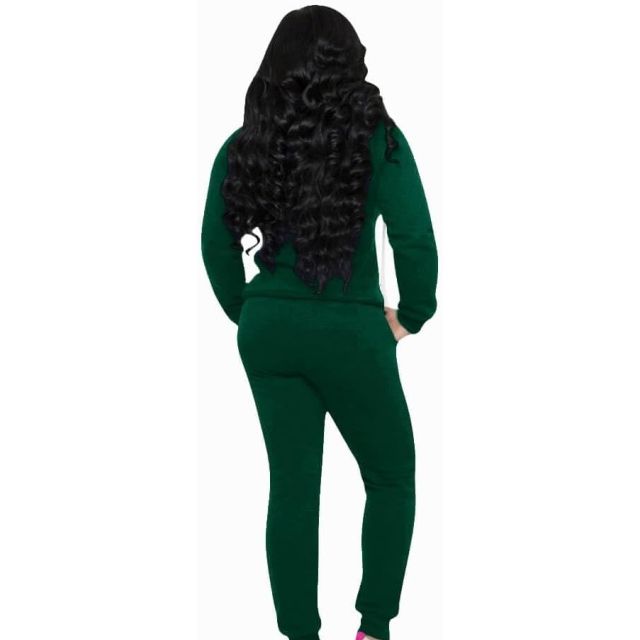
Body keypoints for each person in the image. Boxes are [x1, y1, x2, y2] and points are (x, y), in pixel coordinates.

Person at [201, 6, 438, 640]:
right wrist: (412, 315)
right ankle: (373, 627)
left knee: (293, 489)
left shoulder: (248, 141)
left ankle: (299, 633)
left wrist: (252, 311)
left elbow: (214, 244)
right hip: (351, 334)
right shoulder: (378, 139)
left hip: (270, 334)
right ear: (349, 63)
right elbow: (414, 236)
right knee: (390, 477)